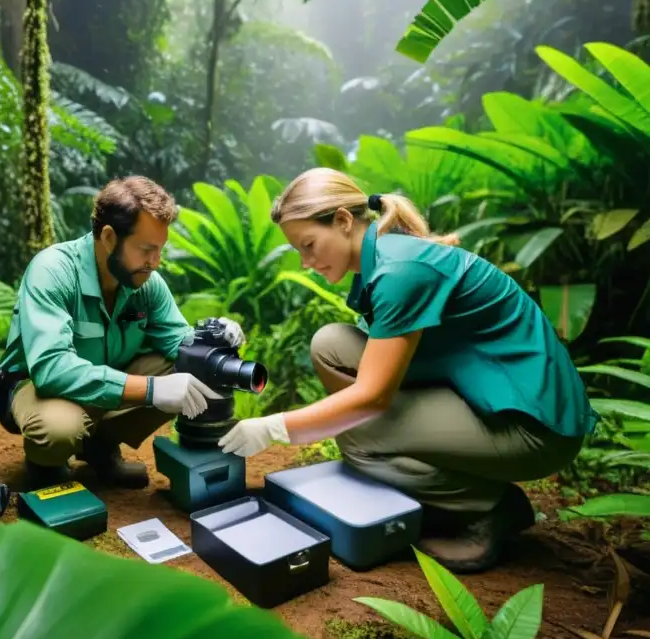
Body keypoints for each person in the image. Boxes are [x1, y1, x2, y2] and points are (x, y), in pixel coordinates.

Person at [218, 167, 596, 573]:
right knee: (330, 345)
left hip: (534, 425)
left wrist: (273, 428)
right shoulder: (388, 256)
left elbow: (372, 396)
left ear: (344, 221)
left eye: (309, 245)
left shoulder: (399, 271)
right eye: (299, 251)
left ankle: (488, 506)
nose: (307, 262)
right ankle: (428, 470)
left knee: (357, 435)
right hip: (484, 390)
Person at [0, 176, 245, 490]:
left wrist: (214, 338)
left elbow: (181, 343)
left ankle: (100, 450)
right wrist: (152, 389)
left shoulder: (146, 283)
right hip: (38, 386)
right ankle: (47, 465)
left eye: (160, 250)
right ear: (109, 238)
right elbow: (51, 370)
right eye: (145, 249)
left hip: (107, 381)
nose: (155, 262)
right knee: (58, 429)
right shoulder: (53, 271)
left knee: (193, 368)